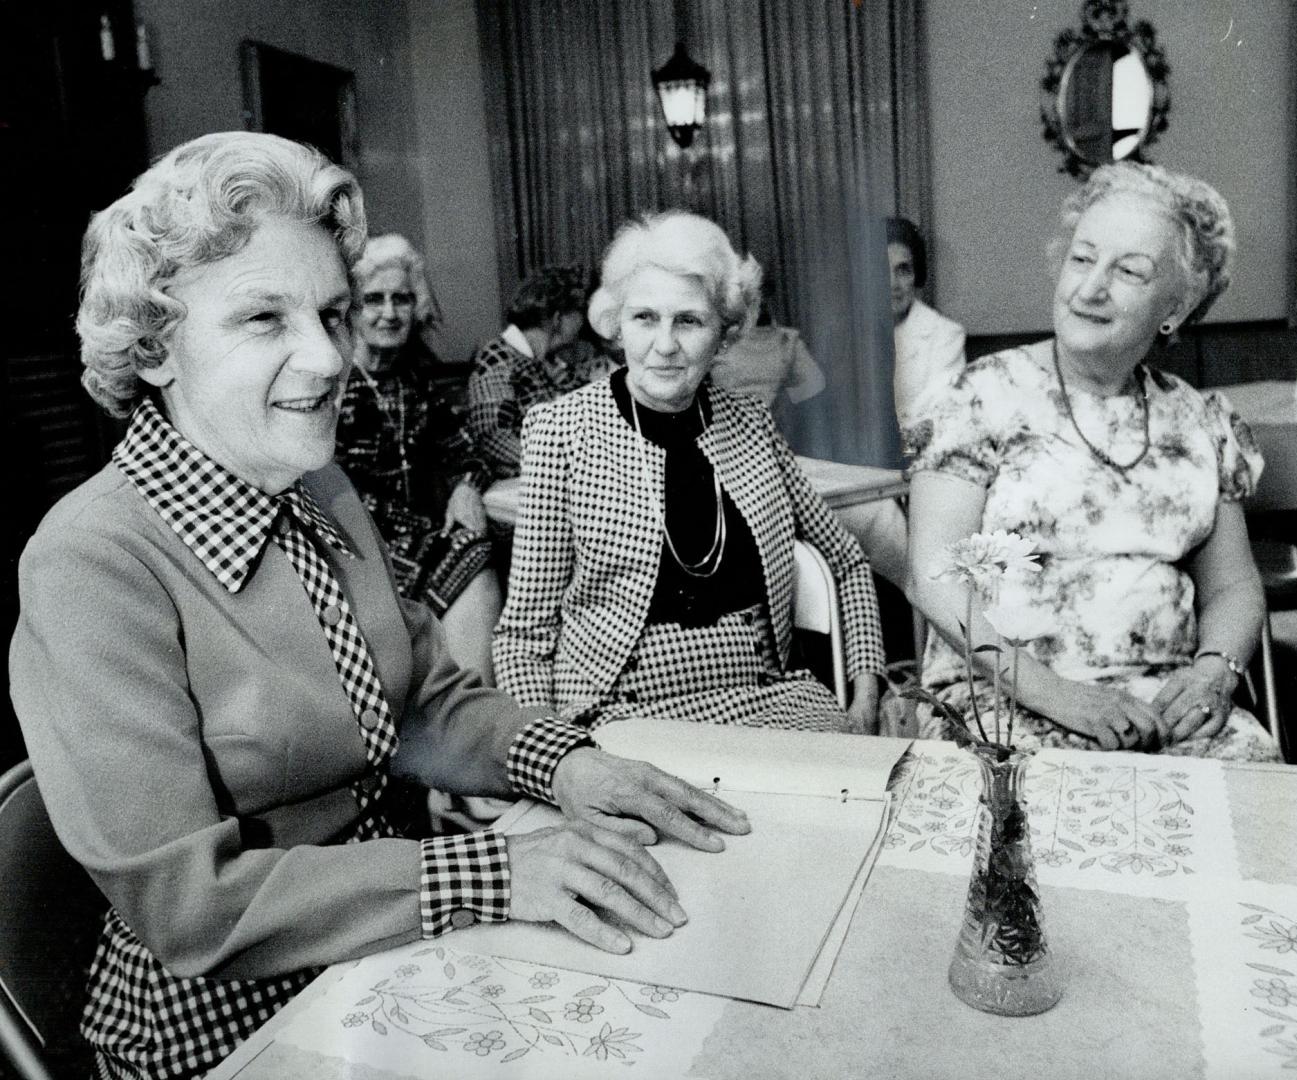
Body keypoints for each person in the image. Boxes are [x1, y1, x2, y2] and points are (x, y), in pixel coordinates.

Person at [7, 133, 749, 1080]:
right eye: (264, 318)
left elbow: (419, 703)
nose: (326, 356)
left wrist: (566, 766)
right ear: (155, 348)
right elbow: (193, 909)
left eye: (330, 312)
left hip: (392, 940)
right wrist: (497, 871)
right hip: (221, 1017)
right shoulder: (90, 561)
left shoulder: (315, 485)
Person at [905, 161, 1280, 760]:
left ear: (1176, 308)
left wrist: (1215, 672)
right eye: (1082, 259)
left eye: (1129, 271)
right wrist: (1057, 695)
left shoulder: (1202, 421)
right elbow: (932, 575)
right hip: (1002, 698)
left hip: (1161, 705)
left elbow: (1234, 585)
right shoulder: (979, 397)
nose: (1091, 288)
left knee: (1260, 793)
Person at [493, 210, 886, 734]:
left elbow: (847, 561)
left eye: (689, 320)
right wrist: (550, 750)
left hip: (766, 704)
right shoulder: (560, 431)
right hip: (618, 715)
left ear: (723, 334)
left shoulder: (751, 424)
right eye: (644, 318)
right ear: (616, 324)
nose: (665, 344)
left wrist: (866, 691)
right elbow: (525, 634)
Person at [337, 234, 501, 683]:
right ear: (351, 307)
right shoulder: (330, 385)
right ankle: (473, 708)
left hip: (413, 543)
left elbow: (467, 448)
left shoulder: (414, 378)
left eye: (402, 299)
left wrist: (466, 486)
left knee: (480, 544)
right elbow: (331, 489)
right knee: (469, 551)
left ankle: (472, 708)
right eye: (374, 299)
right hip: (353, 550)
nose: (389, 313)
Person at [466, 266, 590, 481]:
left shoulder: (546, 362)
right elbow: (493, 438)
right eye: (579, 312)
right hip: (520, 489)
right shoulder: (498, 359)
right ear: (557, 318)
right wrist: (568, 468)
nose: (582, 324)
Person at [887, 216, 967, 433]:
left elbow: (938, 419)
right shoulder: (851, 334)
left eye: (903, 270)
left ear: (916, 275)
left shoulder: (945, 335)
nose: (893, 284)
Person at [710, 277, 826, 415]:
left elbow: (815, 384)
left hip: (771, 423)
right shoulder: (719, 340)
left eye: (764, 294)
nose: (760, 302)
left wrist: (784, 401)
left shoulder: (787, 341)